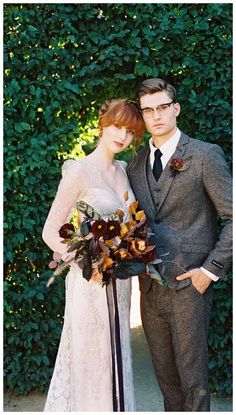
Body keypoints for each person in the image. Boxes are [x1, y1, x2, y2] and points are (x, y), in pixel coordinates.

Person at [127, 78, 232, 411]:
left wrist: (210, 270)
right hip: (150, 289)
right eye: (148, 111)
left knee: (193, 382)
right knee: (166, 381)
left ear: (176, 109)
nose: (156, 116)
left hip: (191, 286)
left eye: (162, 108)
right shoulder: (135, 163)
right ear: (142, 116)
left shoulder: (204, 156)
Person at [42, 98, 145, 411]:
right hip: (90, 282)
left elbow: (131, 222)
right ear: (103, 124)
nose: (122, 136)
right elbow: (51, 230)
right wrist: (86, 260)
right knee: (91, 356)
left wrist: (129, 249)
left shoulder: (123, 170)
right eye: (117, 126)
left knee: (117, 351)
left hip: (120, 281)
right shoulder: (79, 171)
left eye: (130, 131)